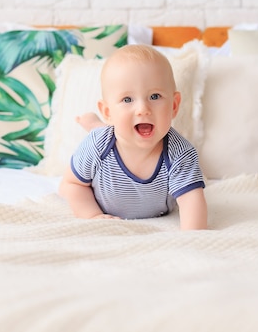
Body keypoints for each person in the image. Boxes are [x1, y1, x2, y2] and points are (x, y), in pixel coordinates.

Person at [58, 44, 207, 230]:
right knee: (104, 135)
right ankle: (96, 124)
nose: (143, 109)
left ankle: (100, 124)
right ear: (108, 111)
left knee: (121, 130)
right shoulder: (96, 146)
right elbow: (71, 184)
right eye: (127, 99)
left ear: (174, 106)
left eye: (154, 96)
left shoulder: (180, 154)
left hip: (121, 132)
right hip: (107, 137)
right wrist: (93, 215)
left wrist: (193, 238)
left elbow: (192, 203)